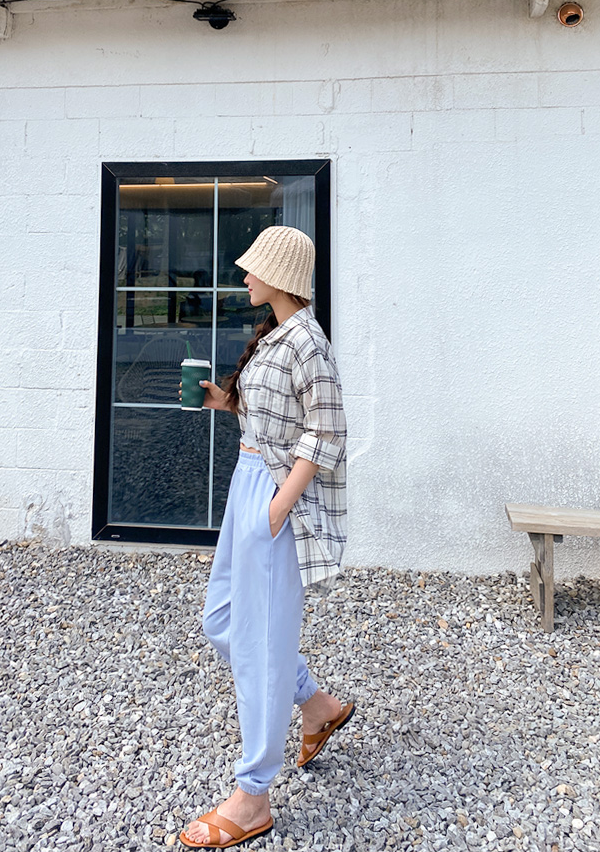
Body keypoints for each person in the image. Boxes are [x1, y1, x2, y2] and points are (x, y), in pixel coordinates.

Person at [180, 225, 353, 850]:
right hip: (249, 480)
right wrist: (224, 403)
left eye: (254, 267)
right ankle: (316, 705)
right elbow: (274, 416)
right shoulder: (277, 334)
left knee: (261, 640)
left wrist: (280, 505)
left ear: (279, 276)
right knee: (222, 620)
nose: (245, 275)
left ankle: (253, 795)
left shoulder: (307, 341)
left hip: (275, 494)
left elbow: (326, 432)